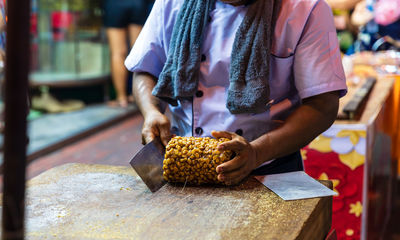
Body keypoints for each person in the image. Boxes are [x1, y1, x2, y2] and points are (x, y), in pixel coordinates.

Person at [125, 0, 347, 185]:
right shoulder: (172, 3)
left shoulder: (305, 9)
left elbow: (322, 105)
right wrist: (151, 111)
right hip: (185, 166)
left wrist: (258, 152)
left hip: (270, 169)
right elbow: (146, 68)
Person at [103, 0, 153, 107]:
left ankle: (121, 98)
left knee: (117, 53)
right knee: (138, 51)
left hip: (114, 5)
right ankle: (138, 96)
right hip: (138, 3)